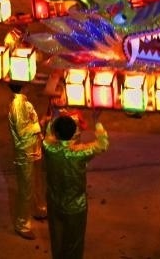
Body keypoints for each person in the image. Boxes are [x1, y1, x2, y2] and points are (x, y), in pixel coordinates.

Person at [43, 111, 109, 259]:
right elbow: (103, 144)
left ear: (56, 133)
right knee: (74, 244)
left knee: (57, 241)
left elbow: (48, 135)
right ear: (74, 133)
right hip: (76, 207)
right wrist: (96, 121)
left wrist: (53, 117)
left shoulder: (48, 148)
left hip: (54, 204)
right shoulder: (79, 153)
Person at [9, 82, 47, 239]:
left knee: (35, 182)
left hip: (32, 149)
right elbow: (22, 131)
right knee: (26, 189)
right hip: (25, 152)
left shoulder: (23, 102)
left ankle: (38, 210)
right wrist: (39, 125)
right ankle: (22, 224)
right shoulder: (18, 105)